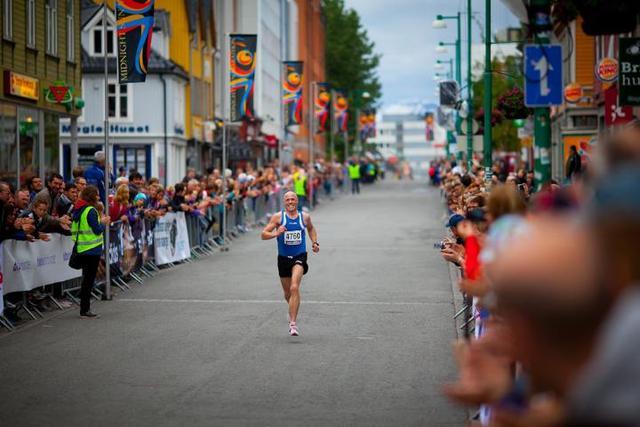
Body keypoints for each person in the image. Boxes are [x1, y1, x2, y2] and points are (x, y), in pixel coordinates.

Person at [261, 191, 319, 336]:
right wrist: (276, 233)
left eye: (293, 199)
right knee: (288, 293)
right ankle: (293, 307)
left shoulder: (304, 217)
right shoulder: (278, 217)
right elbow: (263, 234)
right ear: (284, 202)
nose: (290, 202)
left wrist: (314, 242)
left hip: (299, 256)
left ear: (297, 201)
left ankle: (293, 323)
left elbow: (311, 229)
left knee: (294, 287)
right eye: (288, 200)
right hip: (283, 258)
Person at [71, 185, 110, 318]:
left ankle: (84, 308)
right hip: (91, 250)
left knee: (86, 280)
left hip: (83, 248)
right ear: (92, 196)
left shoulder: (79, 209)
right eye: (97, 194)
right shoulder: (90, 210)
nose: (99, 197)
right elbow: (97, 229)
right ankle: (85, 310)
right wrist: (103, 221)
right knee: (88, 280)